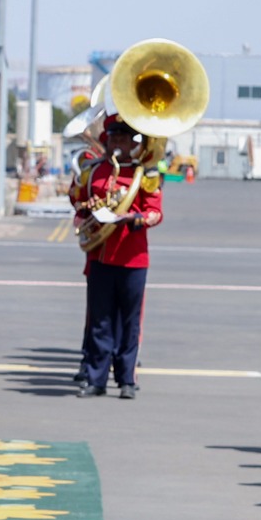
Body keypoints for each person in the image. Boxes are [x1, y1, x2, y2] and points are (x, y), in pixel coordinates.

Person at [69, 113, 165, 399]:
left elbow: (155, 212)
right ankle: (96, 379)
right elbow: (77, 199)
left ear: (132, 142)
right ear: (107, 140)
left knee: (129, 321)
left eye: (123, 138)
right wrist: (87, 207)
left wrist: (133, 218)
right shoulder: (93, 170)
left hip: (132, 256)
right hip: (100, 254)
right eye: (114, 138)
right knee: (100, 320)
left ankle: (126, 379)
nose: (118, 143)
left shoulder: (144, 174)